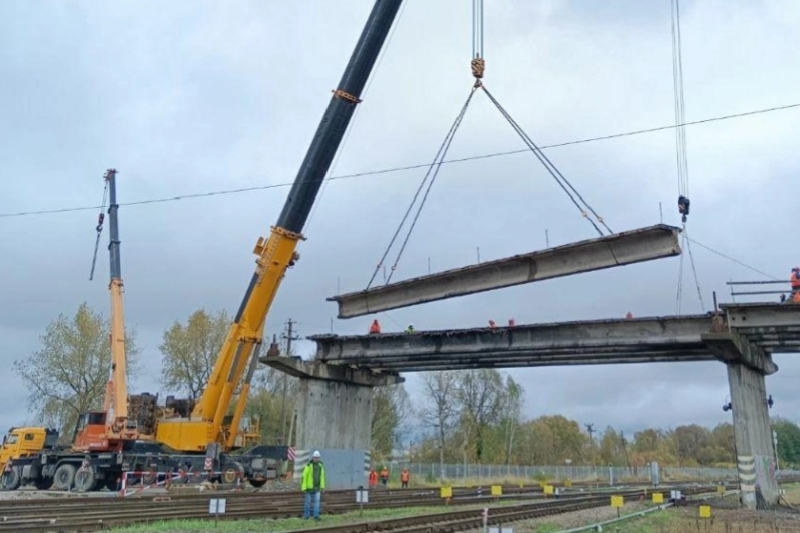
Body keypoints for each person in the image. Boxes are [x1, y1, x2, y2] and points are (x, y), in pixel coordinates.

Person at [301, 450, 325, 520]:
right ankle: (306, 515)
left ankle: (316, 515)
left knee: (317, 502)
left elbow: (322, 477)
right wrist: (304, 487)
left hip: (317, 488)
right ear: (313, 457)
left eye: (317, 457)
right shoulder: (308, 465)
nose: (316, 459)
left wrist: (322, 487)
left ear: (319, 458)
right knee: (307, 503)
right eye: (315, 457)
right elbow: (304, 476)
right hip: (309, 488)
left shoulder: (321, 466)